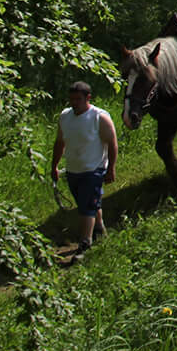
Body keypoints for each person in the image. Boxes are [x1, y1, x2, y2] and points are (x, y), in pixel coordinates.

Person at [52, 80, 119, 254]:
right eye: (71, 100)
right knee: (88, 203)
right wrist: (54, 166)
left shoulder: (99, 117)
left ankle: (85, 243)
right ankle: (99, 228)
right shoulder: (65, 116)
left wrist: (111, 168)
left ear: (88, 98)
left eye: (78, 100)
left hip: (94, 170)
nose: (74, 103)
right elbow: (60, 142)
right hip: (74, 170)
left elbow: (112, 144)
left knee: (86, 207)